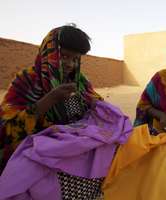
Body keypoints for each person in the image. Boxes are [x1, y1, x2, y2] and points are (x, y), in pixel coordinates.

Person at [0, 25, 103, 172]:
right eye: (65, 56)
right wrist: (50, 99)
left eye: (75, 59)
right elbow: (6, 129)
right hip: (35, 162)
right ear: (49, 52)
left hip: (73, 158)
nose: (70, 64)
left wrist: (94, 104)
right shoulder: (26, 81)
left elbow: (96, 106)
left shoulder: (80, 82)